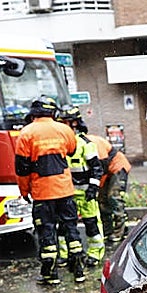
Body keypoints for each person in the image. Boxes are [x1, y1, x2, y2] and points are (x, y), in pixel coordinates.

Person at [14, 95, 86, 285]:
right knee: (71, 228)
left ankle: (50, 274)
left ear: (33, 114)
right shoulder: (64, 130)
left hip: (42, 193)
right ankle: (78, 269)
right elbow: (71, 150)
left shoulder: (26, 133)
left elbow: (22, 168)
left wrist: (24, 191)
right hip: (65, 190)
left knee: (46, 231)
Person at [57, 106, 106, 268]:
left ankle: (95, 253)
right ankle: (66, 254)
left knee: (91, 223)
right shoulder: (59, 143)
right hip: (67, 193)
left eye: (67, 122)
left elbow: (97, 168)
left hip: (85, 192)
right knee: (64, 225)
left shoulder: (85, 143)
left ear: (75, 123)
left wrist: (93, 188)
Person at [89, 131, 132, 242]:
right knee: (102, 201)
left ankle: (119, 231)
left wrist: (97, 187)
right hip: (107, 171)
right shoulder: (85, 144)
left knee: (114, 197)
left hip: (117, 166)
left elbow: (101, 168)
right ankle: (107, 231)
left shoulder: (94, 145)